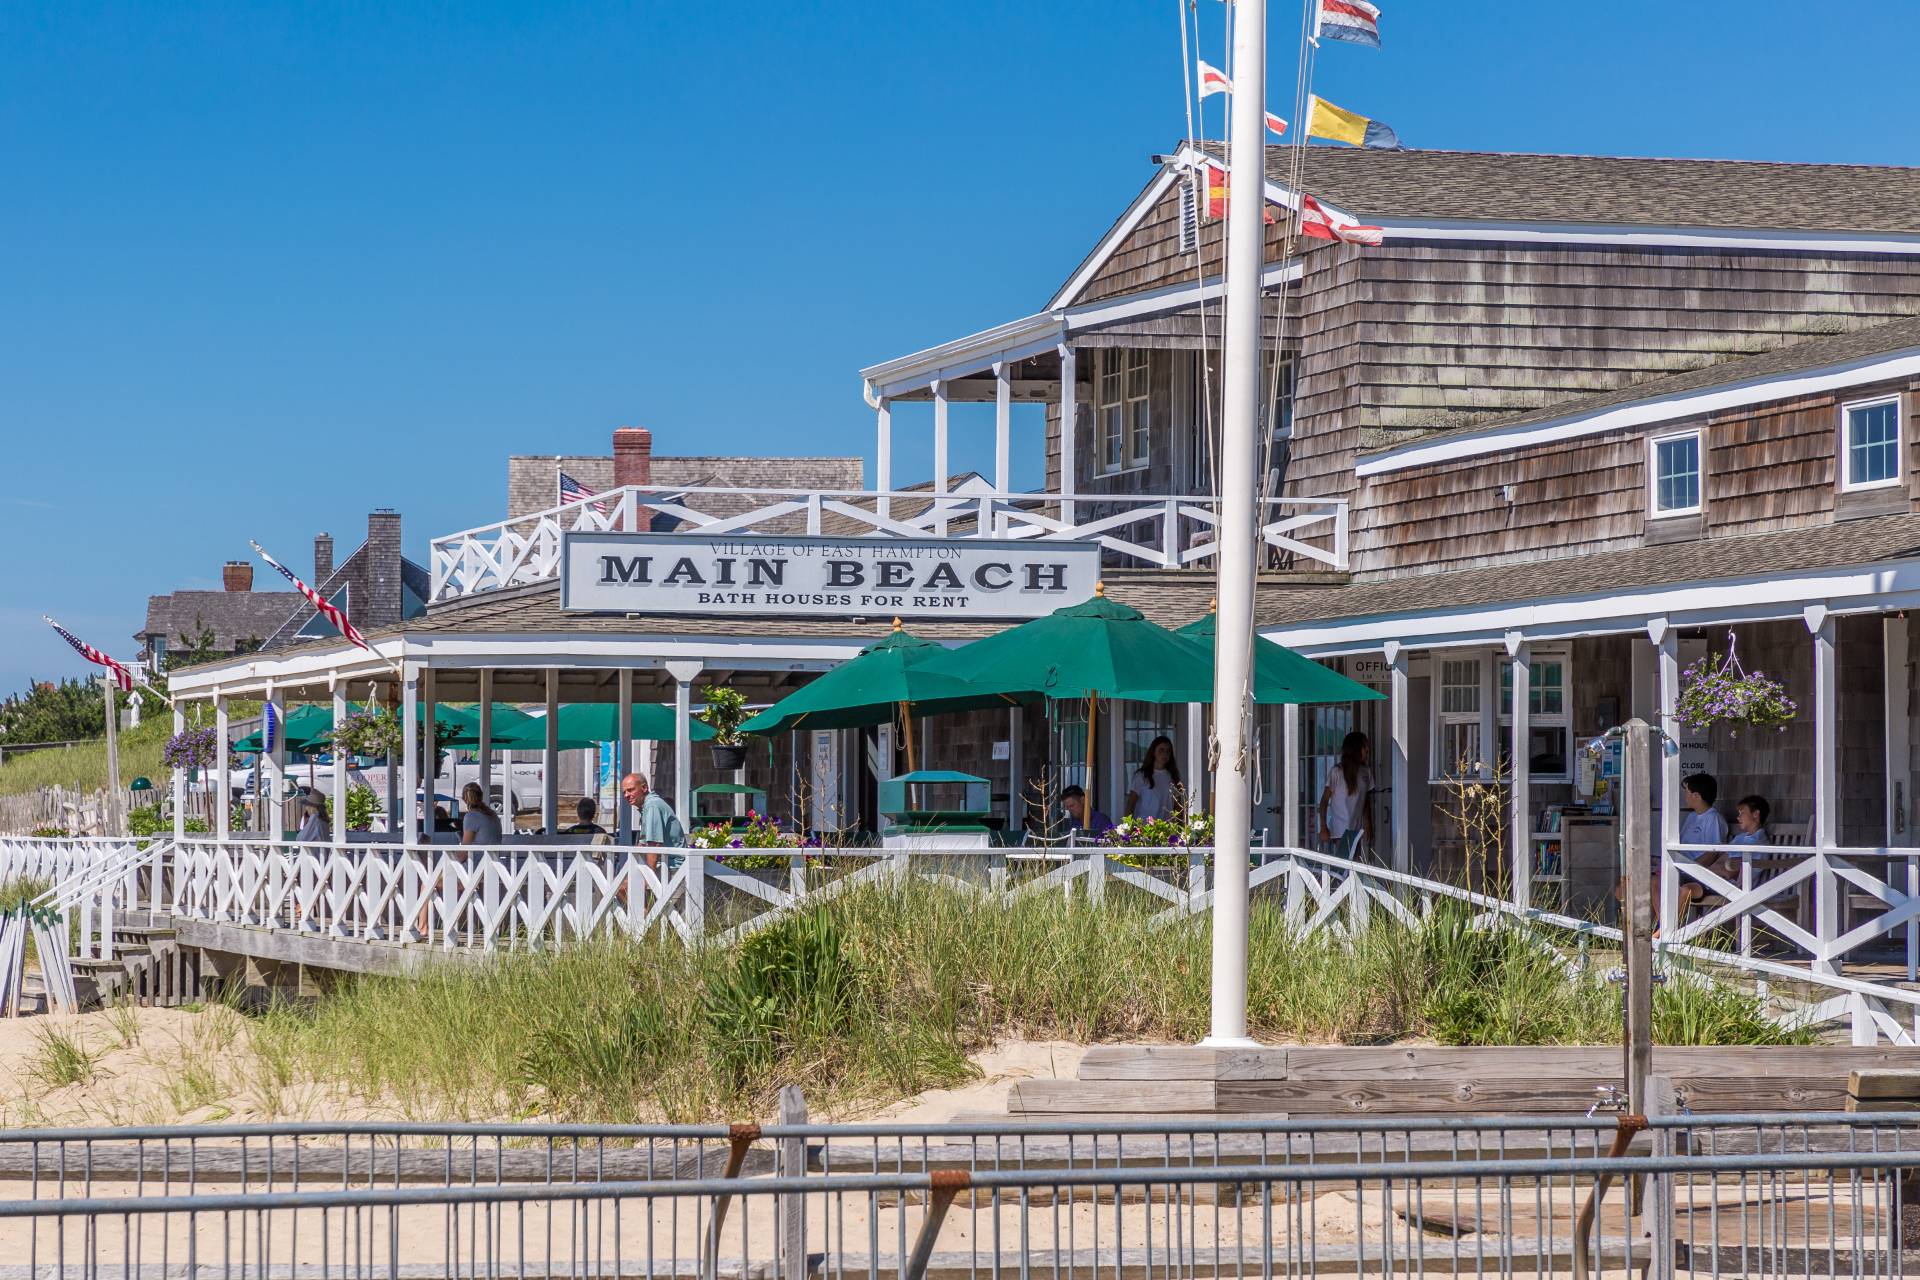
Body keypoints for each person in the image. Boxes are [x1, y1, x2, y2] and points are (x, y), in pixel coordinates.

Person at [1677, 772, 1731, 908]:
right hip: (1680, 869)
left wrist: (1689, 869)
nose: (1685, 796)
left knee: (1660, 883)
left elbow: (1713, 853)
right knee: (1651, 882)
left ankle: (1666, 928)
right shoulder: (1691, 817)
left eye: (1687, 792)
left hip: (1698, 874)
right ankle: (1659, 925)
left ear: (1697, 796)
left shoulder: (1713, 819)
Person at [1317, 732, 1375, 858]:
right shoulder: (1337, 772)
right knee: (1345, 866)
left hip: (1357, 830)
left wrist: (1368, 822)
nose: (1367, 750)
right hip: (1340, 830)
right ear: (1356, 748)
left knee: (1355, 864)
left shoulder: (1366, 772)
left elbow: (1365, 800)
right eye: (1364, 746)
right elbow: (1324, 801)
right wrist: (1323, 826)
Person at [621, 772, 685, 869]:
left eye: (630, 790)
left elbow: (654, 845)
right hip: (665, 866)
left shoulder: (652, 805)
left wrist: (648, 880)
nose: (626, 795)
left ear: (644, 788)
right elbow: (642, 845)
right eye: (624, 792)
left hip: (673, 869)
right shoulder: (647, 806)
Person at [1125, 736, 1181, 822]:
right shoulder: (1141, 776)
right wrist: (1128, 830)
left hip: (1165, 829)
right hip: (1144, 829)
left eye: (1168, 751)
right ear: (1153, 752)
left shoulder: (1172, 776)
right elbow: (1130, 805)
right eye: (1161, 750)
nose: (1165, 754)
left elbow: (1178, 807)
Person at [459, 782, 504, 848]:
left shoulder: (471, 817)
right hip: (494, 857)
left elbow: (464, 851)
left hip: (480, 857)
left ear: (464, 799)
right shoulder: (493, 814)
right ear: (481, 796)